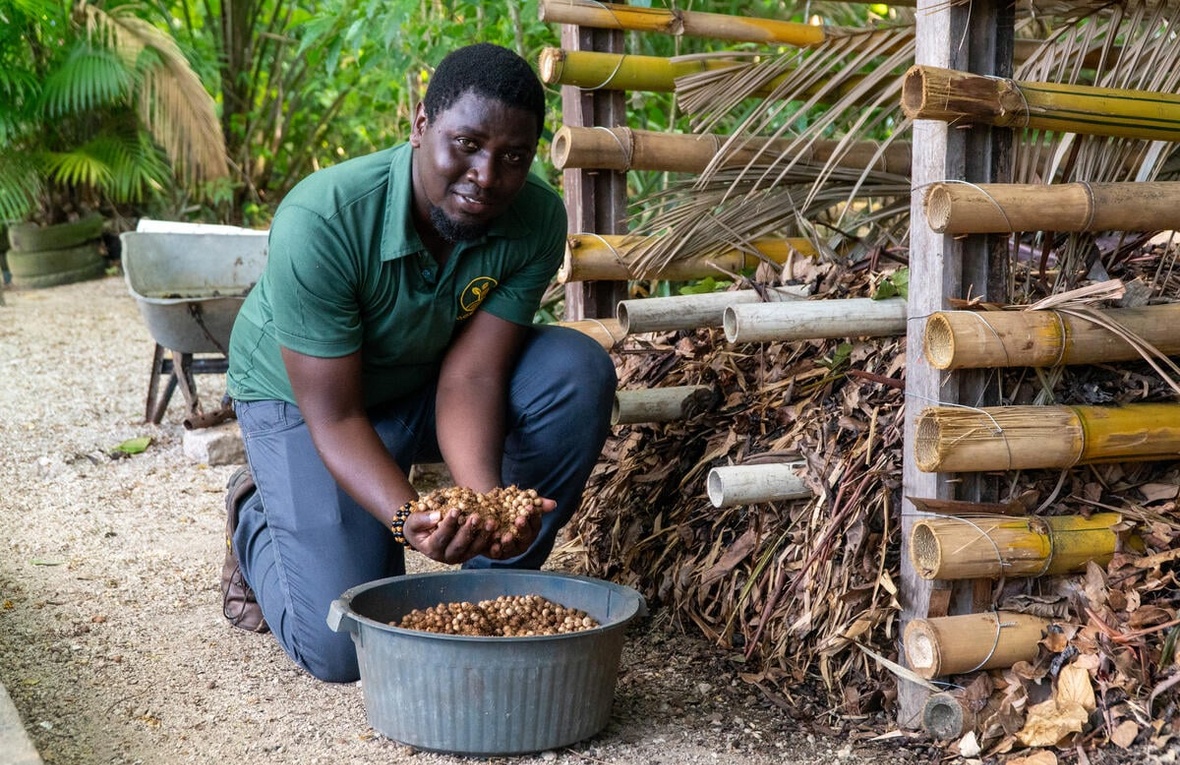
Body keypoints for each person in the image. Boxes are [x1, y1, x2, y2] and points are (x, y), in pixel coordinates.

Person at [219, 43, 617, 683]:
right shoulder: (322, 220)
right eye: (466, 144)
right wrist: (411, 518)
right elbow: (337, 414)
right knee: (344, 646)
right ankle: (255, 515)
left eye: (513, 156)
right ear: (420, 126)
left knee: (574, 371)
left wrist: (486, 506)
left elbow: (474, 375)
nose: (487, 176)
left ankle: (493, 590)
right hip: (304, 402)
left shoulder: (536, 219)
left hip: (424, 379)